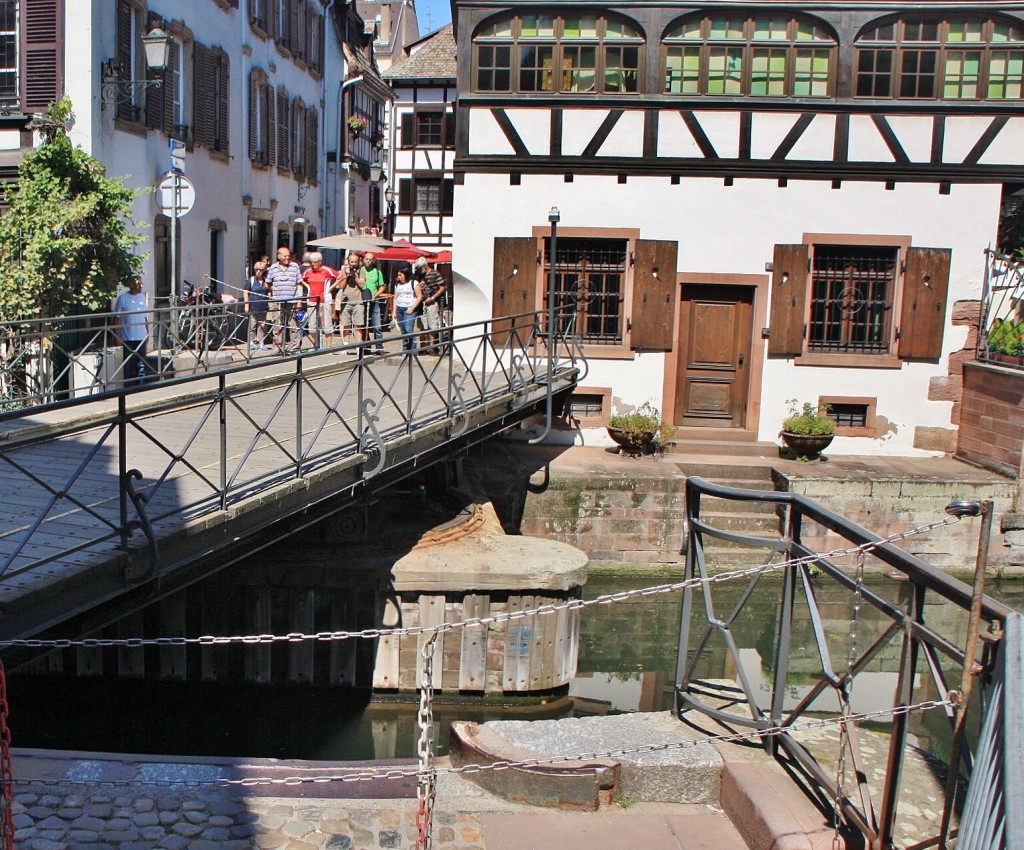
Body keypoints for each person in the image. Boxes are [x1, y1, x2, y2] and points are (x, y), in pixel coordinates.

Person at [114, 276, 150, 385]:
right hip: (127, 337)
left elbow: (145, 317)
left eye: (141, 283)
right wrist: (117, 336)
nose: (141, 286)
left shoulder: (142, 298)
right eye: (138, 284)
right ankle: (126, 387)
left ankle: (141, 386)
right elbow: (117, 318)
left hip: (141, 336)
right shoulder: (122, 298)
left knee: (142, 363)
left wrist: (147, 333)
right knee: (126, 364)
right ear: (132, 285)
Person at [266, 246, 303, 352]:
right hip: (277, 301)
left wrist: (299, 300)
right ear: (279, 256)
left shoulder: (294, 266)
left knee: (294, 325)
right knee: (277, 325)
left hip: (292, 301)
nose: (287, 258)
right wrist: (274, 290)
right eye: (285, 256)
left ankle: (295, 347)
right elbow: (267, 283)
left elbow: (299, 284)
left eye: (288, 256)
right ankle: (278, 347)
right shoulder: (273, 268)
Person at [301, 252, 338, 349]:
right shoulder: (308, 272)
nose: (313, 264)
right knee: (312, 324)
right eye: (311, 262)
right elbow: (300, 278)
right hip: (312, 299)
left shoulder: (327, 270)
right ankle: (312, 346)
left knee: (327, 324)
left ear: (320, 262)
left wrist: (330, 288)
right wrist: (308, 287)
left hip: (324, 300)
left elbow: (341, 276)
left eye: (315, 262)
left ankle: (329, 346)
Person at [390, 268, 423, 352]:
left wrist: (413, 307)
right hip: (400, 308)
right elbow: (395, 298)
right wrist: (394, 311)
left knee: (409, 329)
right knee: (403, 330)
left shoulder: (414, 283)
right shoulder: (397, 285)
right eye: (398, 275)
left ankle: (413, 350)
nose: (399, 277)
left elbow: (419, 296)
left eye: (401, 275)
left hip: (410, 307)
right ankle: (406, 349)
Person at [335, 263, 365, 352]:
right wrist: (346, 275)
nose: (353, 264)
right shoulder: (343, 270)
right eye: (351, 262)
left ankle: (358, 347)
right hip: (346, 301)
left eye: (355, 262)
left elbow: (362, 284)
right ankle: (345, 346)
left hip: (358, 300)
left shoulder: (361, 270)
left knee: (358, 325)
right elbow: (341, 286)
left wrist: (354, 275)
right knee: (345, 325)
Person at [419, 259, 447, 354]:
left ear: (424, 266)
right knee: (422, 325)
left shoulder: (435, 274)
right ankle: (423, 347)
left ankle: (432, 347)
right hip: (422, 302)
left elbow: (442, 287)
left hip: (432, 303)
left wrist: (433, 297)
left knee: (432, 325)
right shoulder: (421, 276)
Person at [361, 252, 387, 355]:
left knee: (377, 326)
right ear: (363, 260)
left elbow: (382, 286)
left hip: (374, 302)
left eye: (370, 259)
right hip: (363, 302)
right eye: (366, 259)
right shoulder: (361, 271)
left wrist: (376, 295)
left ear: (373, 261)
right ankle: (366, 346)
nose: (368, 261)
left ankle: (379, 347)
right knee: (363, 326)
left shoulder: (377, 272)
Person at [244, 260, 272, 351]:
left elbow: (269, 291)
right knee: (252, 325)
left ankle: (261, 342)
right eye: (256, 270)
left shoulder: (266, 281)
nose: (258, 272)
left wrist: (270, 299)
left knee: (262, 326)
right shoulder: (251, 280)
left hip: (263, 306)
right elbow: (246, 292)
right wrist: (246, 305)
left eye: (260, 270)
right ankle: (251, 342)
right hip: (253, 306)